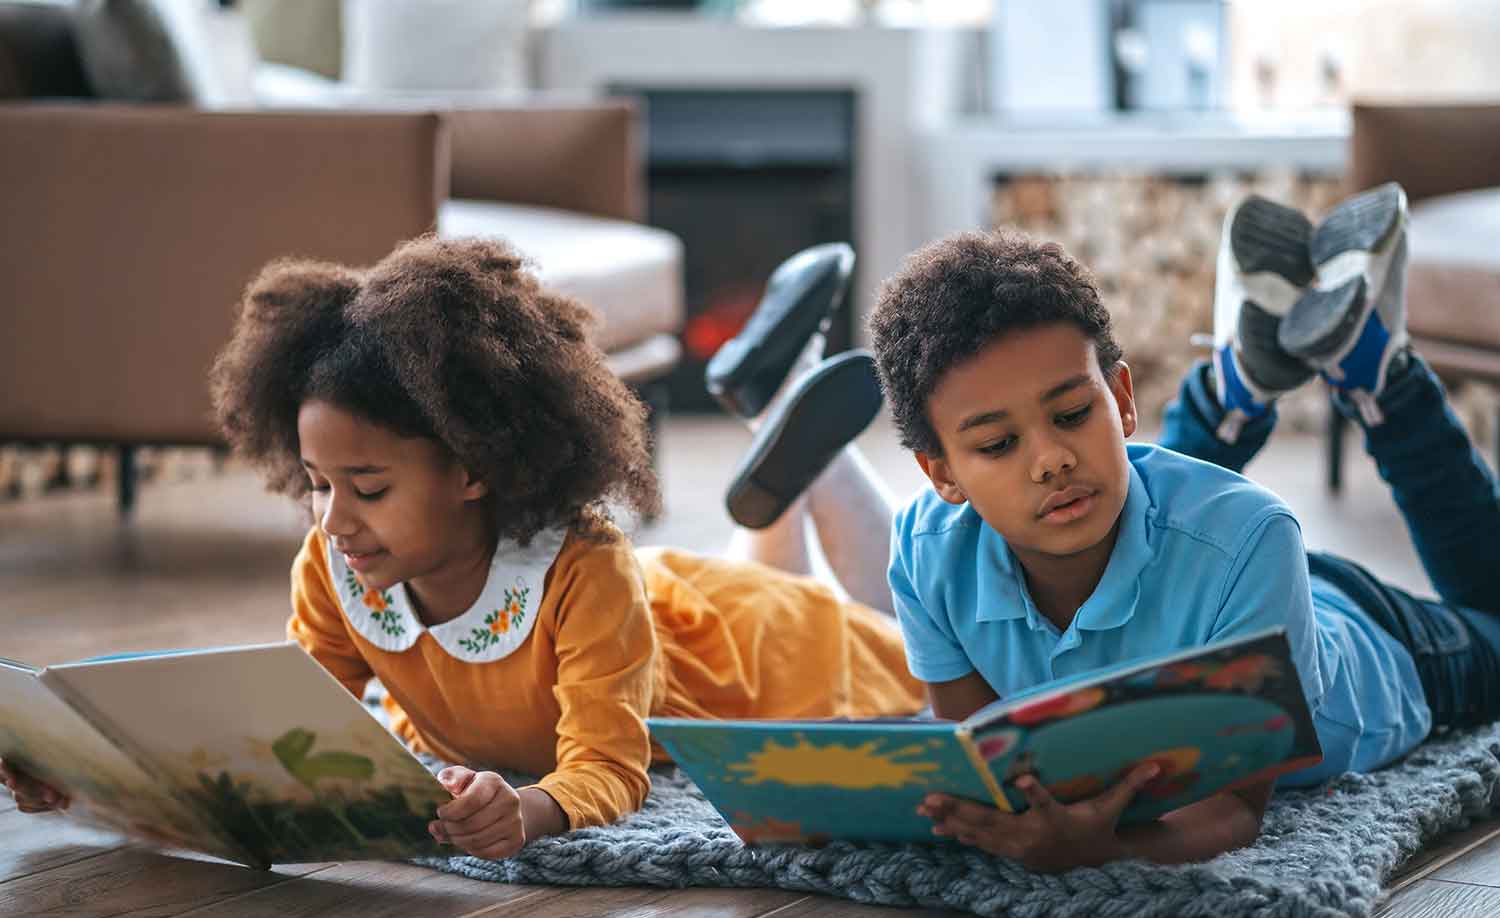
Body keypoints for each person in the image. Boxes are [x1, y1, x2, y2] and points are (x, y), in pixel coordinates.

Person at [0, 237, 924, 858]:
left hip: (754, 661)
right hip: (671, 617)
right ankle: (784, 408)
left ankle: (794, 410)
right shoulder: (339, 563)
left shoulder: (581, 574)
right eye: (318, 484)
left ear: (474, 468)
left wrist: (532, 809)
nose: (332, 520)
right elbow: (283, 724)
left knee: (906, 637)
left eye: (368, 489)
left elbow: (610, 765)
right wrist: (98, 777)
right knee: (764, 567)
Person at [870, 183, 1500, 872]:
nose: (1049, 459)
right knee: (1132, 498)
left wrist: (1105, 849)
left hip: (1387, 644)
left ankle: (1380, 374)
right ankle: (1232, 386)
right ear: (942, 474)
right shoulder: (926, 553)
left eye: (1075, 413)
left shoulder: (1250, 539)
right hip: (1213, 576)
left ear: (1121, 398)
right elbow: (977, 761)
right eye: (997, 445)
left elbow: (1231, 810)